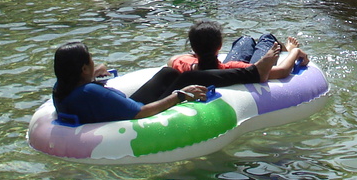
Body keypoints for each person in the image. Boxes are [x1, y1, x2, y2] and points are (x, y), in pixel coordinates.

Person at [50, 41, 281, 125]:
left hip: (116, 110)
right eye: (90, 61)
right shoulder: (90, 92)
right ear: (81, 69)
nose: (94, 62)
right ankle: (254, 73)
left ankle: (252, 72)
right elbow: (140, 112)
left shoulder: (63, 89)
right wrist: (179, 95)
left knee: (168, 73)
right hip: (135, 116)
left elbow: (94, 99)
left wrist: (93, 76)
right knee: (189, 78)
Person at [168, 20, 310, 80]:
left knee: (245, 40)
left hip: (202, 62)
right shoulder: (233, 70)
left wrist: (196, 55)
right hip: (247, 68)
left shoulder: (182, 64)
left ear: (193, 48)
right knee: (267, 38)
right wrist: (295, 52)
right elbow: (281, 72)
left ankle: (271, 44)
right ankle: (285, 48)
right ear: (220, 46)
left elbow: (172, 61)